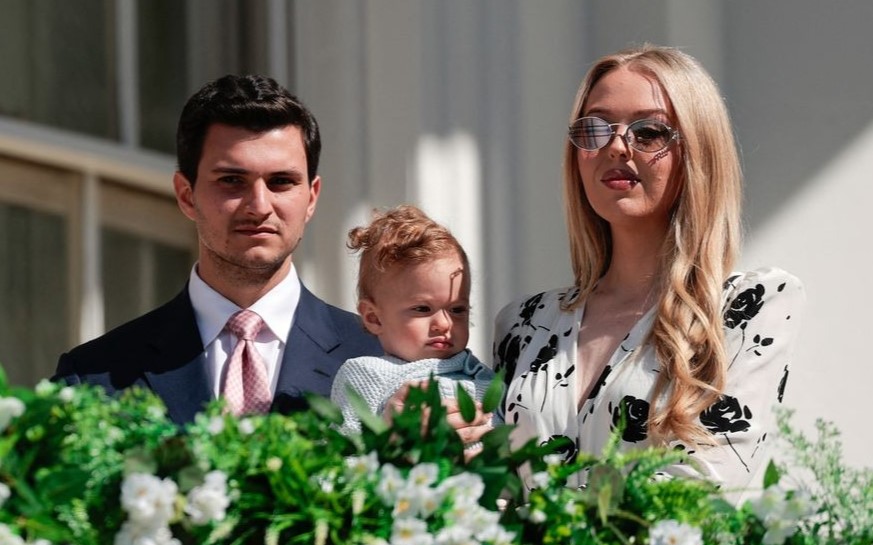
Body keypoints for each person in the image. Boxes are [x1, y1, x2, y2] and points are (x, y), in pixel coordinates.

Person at [492, 45, 804, 496]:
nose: (617, 146)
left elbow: (703, 484)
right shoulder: (523, 322)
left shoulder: (750, 305)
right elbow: (495, 488)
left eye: (650, 131)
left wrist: (543, 524)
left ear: (699, 152)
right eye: (595, 128)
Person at [53, 74, 382, 423]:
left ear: (311, 197)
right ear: (186, 195)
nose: (259, 205)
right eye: (232, 181)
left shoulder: (387, 360)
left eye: (281, 182)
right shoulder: (93, 376)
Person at [331, 205, 495, 449]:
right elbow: (340, 460)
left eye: (457, 310)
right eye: (422, 309)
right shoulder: (366, 374)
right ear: (374, 318)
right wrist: (388, 444)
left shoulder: (482, 375)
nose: (444, 323)